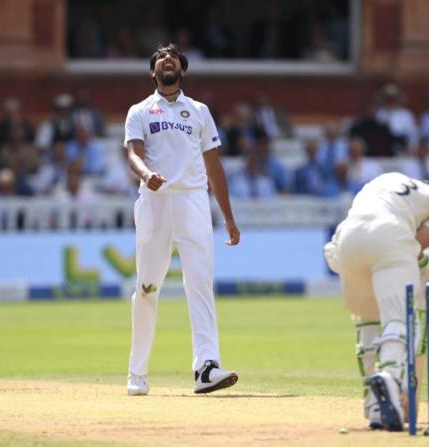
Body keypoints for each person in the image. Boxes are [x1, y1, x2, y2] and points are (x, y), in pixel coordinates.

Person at [123, 43, 240, 396]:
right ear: (153, 71)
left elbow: (214, 167)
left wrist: (229, 219)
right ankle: (137, 372)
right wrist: (147, 176)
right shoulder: (140, 110)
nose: (167, 58)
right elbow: (133, 153)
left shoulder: (199, 111)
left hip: (193, 201)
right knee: (147, 287)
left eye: (173, 56)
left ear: (182, 69)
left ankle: (207, 367)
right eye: (160, 56)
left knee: (200, 283)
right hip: (156, 202)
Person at [323, 172, 429, 431]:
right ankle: (391, 380)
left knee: (368, 322)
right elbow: (415, 248)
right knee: (400, 319)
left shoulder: (384, 184)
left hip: (345, 240)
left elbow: (335, 251)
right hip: (388, 235)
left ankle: (374, 405)